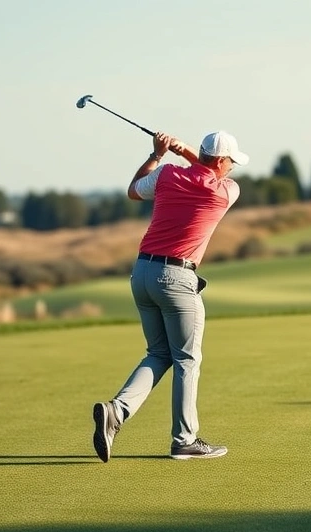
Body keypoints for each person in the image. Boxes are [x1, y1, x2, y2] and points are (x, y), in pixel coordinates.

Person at [92, 129, 248, 462]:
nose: (232, 169)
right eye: (230, 162)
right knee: (187, 360)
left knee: (159, 353)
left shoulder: (165, 175)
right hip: (177, 278)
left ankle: (116, 413)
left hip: (142, 274)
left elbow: (134, 191)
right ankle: (184, 440)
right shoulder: (224, 192)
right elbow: (204, 169)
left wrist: (158, 153)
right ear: (221, 161)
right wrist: (185, 150)